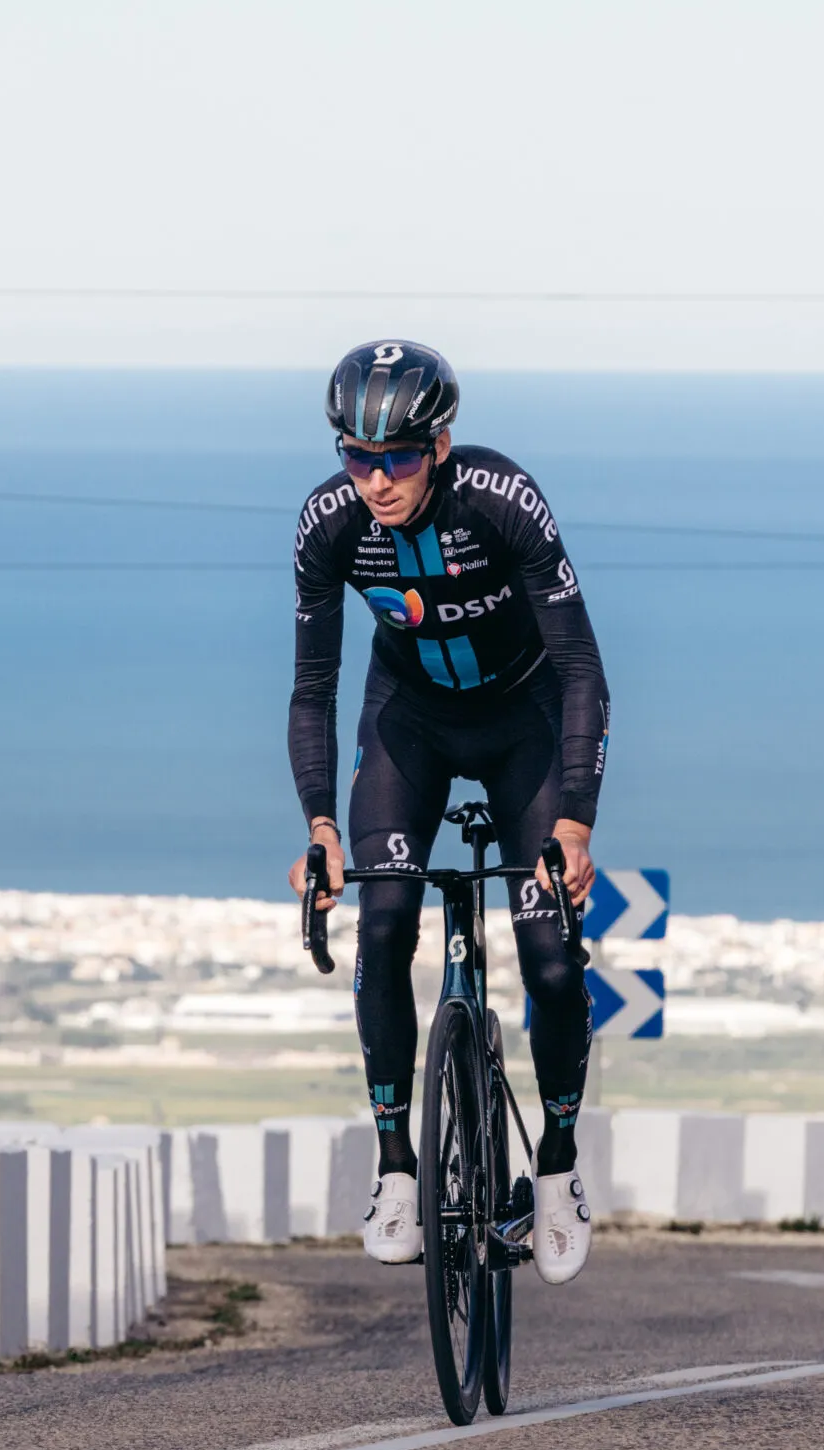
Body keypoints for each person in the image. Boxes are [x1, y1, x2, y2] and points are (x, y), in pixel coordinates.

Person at [285, 339, 608, 1285]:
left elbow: (584, 668)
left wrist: (574, 823)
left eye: (397, 458)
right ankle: (396, 1169)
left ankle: (555, 1166)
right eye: (356, 456)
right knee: (382, 926)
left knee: (551, 959)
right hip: (410, 726)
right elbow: (314, 687)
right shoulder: (330, 525)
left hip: (525, 723)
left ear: (441, 444)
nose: (376, 480)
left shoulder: (503, 502)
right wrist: (319, 827)